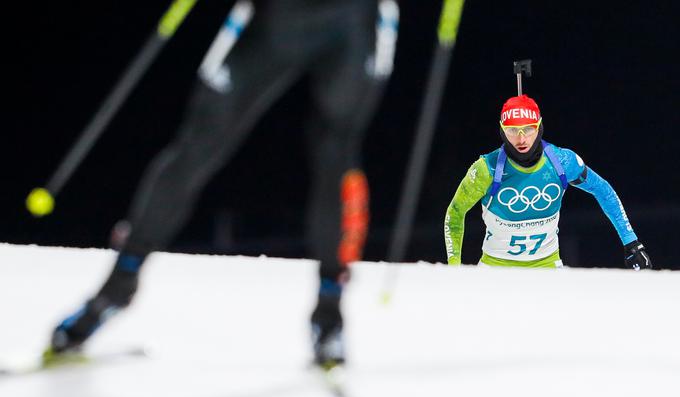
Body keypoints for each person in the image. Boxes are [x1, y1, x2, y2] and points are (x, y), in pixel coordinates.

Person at [44, 0, 400, 369]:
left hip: (353, 23)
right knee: (195, 148)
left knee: (337, 157)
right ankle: (118, 286)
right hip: (272, 20)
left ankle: (329, 315)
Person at [444, 94, 652, 270]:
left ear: (539, 126)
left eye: (528, 129)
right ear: (502, 130)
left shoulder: (561, 162)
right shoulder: (486, 169)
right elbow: (455, 213)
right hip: (495, 269)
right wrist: (454, 268)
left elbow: (602, 189)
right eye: (512, 130)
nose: (521, 138)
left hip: (547, 269)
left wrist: (631, 242)